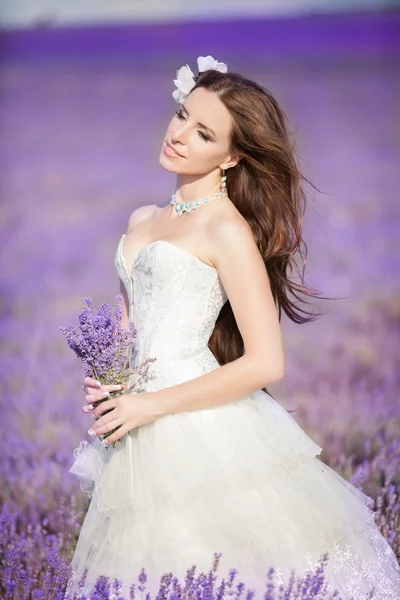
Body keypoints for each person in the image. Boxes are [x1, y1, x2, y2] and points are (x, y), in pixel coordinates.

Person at [64, 56, 400, 599]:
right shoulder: (141, 219)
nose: (178, 136)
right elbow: (128, 328)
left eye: (203, 133)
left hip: (195, 422)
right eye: (181, 116)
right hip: (133, 420)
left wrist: (150, 405)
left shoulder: (226, 229)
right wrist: (110, 381)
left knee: (214, 563)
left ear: (232, 156)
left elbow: (267, 363)